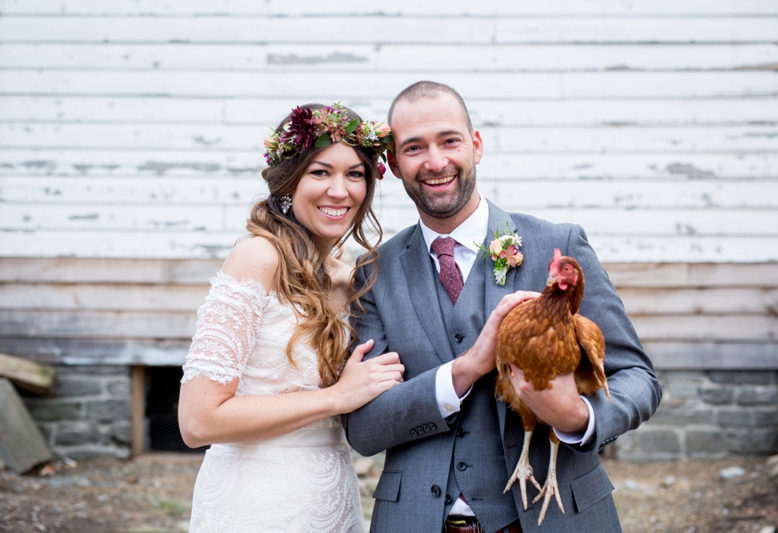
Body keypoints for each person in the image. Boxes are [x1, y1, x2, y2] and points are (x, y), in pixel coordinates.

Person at [341, 82, 662, 533]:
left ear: (475, 145)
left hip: (557, 518)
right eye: (414, 148)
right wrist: (464, 370)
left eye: (449, 140)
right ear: (393, 163)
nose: (435, 162)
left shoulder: (559, 246)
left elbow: (639, 378)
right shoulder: (375, 272)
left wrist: (577, 417)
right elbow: (365, 428)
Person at [178, 103, 403, 533]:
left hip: (332, 498)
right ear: (289, 180)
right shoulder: (257, 257)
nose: (340, 191)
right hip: (255, 503)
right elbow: (197, 421)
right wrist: (336, 398)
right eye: (320, 172)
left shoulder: (348, 277)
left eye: (355, 174)